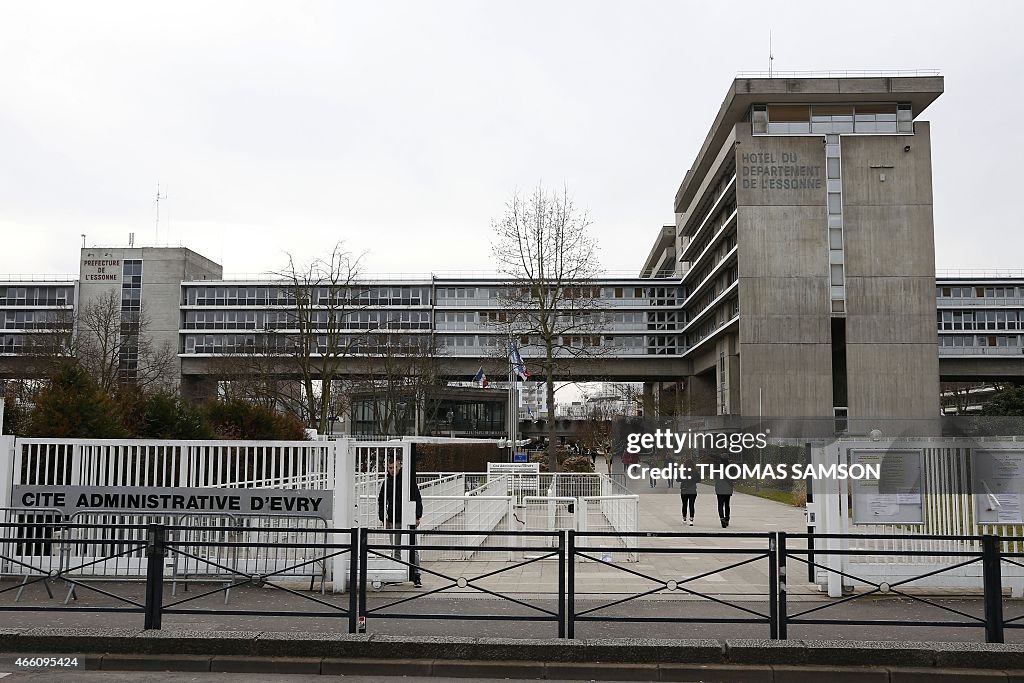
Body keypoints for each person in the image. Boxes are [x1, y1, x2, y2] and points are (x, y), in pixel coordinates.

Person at [377, 457, 424, 586]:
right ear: (387, 468)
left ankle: (416, 575)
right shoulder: (387, 483)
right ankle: (397, 573)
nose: (392, 470)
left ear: (400, 467)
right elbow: (381, 501)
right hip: (394, 518)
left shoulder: (407, 481)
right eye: (390, 468)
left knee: (412, 548)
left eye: (395, 467)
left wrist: (417, 516)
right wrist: (384, 519)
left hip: (407, 518)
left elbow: (417, 498)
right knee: (396, 548)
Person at [714, 455, 735, 528]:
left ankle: (722, 518)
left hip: (720, 487)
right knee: (727, 504)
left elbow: (715, 476)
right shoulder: (731, 467)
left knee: (720, 504)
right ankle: (727, 518)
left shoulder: (717, 467)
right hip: (728, 487)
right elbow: (734, 476)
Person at [679, 459, 698, 526]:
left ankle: (684, 518)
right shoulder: (695, 471)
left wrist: (684, 479)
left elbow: (678, 479)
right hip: (692, 489)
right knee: (691, 505)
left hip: (684, 489)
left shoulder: (682, 471)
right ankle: (691, 519)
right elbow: (699, 480)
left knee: (684, 504)